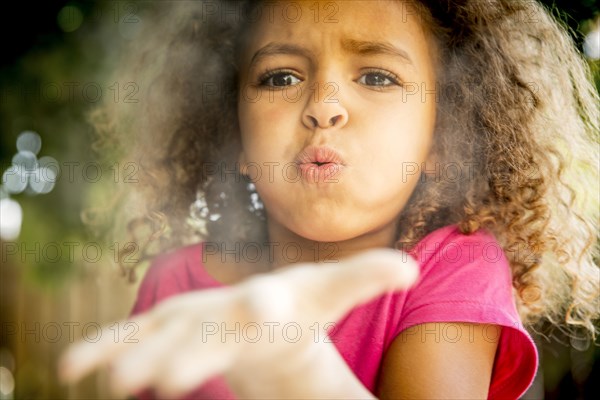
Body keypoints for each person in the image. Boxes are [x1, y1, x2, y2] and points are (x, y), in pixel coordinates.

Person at [59, 0, 599, 399]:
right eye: (281, 77)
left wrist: (294, 368)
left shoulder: (458, 267)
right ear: (235, 135)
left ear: (442, 138)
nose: (324, 105)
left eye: (377, 76)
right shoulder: (174, 285)